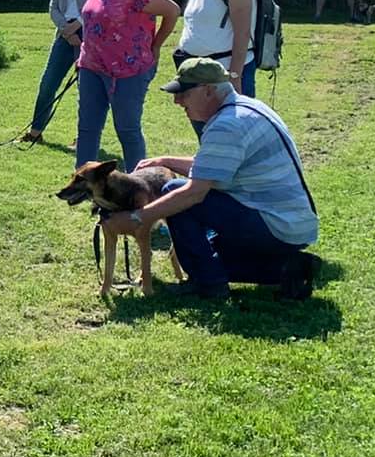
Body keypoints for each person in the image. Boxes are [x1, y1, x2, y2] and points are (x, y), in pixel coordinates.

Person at [108, 57, 320, 301]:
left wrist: (136, 218)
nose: (177, 101)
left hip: (274, 225)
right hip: (289, 223)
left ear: (208, 90)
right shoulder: (247, 108)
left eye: (184, 94)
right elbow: (213, 167)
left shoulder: (227, 125)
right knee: (211, 251)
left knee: (175, 194)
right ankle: (288, 267)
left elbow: (194, 193)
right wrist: (165, 161)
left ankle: (209, 283)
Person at [74, 0, 181, 171]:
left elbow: (172, 10)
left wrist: (156, 45)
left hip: (128, 70)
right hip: (92, 66)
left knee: (127, 129)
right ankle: (83, 182)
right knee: (87, 127)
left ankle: (138, 181)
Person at [23, 0, 98, 143]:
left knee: (86, 90)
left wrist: (79, 25)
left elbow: (100, 4)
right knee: (48, 84)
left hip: (90, 37)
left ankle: (83, 138)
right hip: (64, 35)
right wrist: (66, 30)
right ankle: (35, 132)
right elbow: (53, 7)